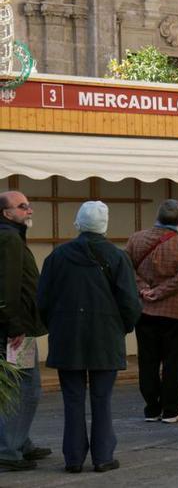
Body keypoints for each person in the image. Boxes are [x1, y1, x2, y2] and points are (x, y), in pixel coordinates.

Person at [38, 201, 142, 473]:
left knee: (72, 399)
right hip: (105, 336)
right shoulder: (117, 257)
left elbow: (43, 301)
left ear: (77, 223)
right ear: (105, 225)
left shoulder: (57, 257)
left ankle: (73, 458)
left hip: (67, 336)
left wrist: (57, 326)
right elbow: (130, 302)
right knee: (101, 398)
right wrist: (123, 327)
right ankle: (103, 456)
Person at [125, 199, 178, 424]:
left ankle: (152, 408)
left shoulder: (136, 239)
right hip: (176, 310)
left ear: (157, 216)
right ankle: (171, 409)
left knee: (147, 360)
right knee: (173, 360)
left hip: (145, 310)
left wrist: (145, 289)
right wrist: (161, 291)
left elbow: (126, 267)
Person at [0, 191, 50, 471]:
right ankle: (9, 448)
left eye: (29, 205)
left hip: (14, 325)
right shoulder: (8, 238)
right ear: (7, 213)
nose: (29, 210)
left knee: (15, 387)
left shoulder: (11, 235)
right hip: (15, 330)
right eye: (22, 207)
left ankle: (20, 441)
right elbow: (6, 284)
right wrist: (14, 325)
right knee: (26, 389)